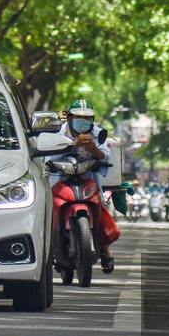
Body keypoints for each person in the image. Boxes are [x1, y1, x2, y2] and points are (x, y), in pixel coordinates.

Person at [56, 100, 120, 272]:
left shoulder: (98, 134)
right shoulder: (58, 133)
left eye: (87, 118)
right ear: (69, 118)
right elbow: (50, 154)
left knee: (101, 205)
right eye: (78, 117)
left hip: (87, 177)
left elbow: (105, 156)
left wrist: (94, 150)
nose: (82, 120)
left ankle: (105, 248)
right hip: (59, 177)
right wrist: (74, 146)